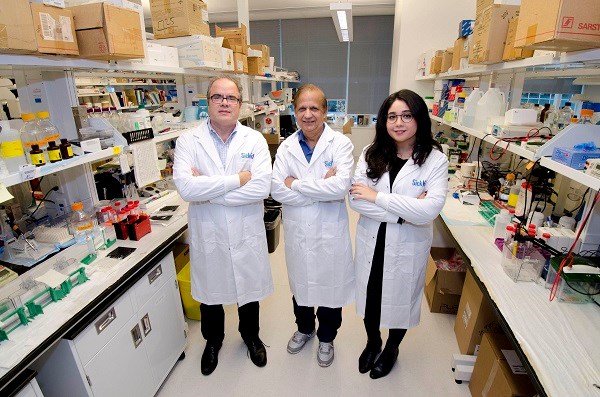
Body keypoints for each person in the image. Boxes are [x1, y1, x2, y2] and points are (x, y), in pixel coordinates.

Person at [173, 75, 273, 376]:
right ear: (208, 102)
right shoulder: (188, 140)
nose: (225, 102)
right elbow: (187, 190)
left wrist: (208, 188)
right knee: (210, 293)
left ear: (240, 104)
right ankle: (213, 342)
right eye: (218, 97)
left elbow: (261, 188)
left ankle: (251, 337)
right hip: (209, 232)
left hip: (245, 230)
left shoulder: (254, 140)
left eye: (231, 98)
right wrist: (235, 181)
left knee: (248, 287)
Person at [349, 89, 448, 379]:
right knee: (371, 295)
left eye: (406, 115)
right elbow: (355, 199)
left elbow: (429, 211)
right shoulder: (371, 153)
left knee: (401, 298)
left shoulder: (435, 160)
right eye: (392, 116)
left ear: (419, 118)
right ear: (384, 120)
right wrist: (408, 212)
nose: (399, 122)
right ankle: (373, 342)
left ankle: (391, 348)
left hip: (408, 246)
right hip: (373, 240)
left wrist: (376, 198)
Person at [271, 84, 355, 367]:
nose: (308, 115)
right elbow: (276, 190)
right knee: (302, 284)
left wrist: (295, 183)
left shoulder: (340, 144)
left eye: (314, 108)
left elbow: (339, 188)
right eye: (302, 108)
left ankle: (327, 337)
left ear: (325, 111)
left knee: (331, 288)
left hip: (329, 231)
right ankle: (305, 328)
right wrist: (322, 187)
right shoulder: (286, 148)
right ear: (294, 112)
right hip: (298, 231)